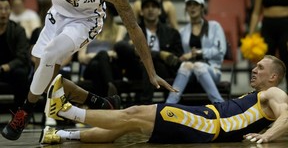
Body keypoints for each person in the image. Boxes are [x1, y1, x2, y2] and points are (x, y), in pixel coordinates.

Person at [0, 0, 176, 141]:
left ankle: (24, 113)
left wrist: (151, 72)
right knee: (46, 78)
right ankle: (102, 103)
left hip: (84, 22)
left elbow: (134, 29)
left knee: (50, 53)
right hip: (56, 15)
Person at [40, 55, 288, 144]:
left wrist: (267, 136)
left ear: (274, 76)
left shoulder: (273, 93)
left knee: (133, 112)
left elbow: (286, 115)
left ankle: (66, 110)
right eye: (254, 66)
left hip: (208, 124)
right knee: (127, 125)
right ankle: (61, 135)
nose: (254, 70)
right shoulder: (259, 96)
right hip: (204, 119)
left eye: (260, 68)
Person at [115, 0, 183, 104]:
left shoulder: (172, 33)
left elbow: (177, 59)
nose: (150, 9)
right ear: (141, 12)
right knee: (144, 61)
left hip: (162, 70)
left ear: (160, 11)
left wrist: (148, 55)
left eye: (154, 6)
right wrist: (159, 54)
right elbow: (120, 47)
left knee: (152, 63)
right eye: (146, 7)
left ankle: (145, 104)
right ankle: (146, 104)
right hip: (137, 69)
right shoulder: (134, 31)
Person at [166, 0, 226, 104]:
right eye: (189, 4)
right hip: (190, 72)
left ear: (202, 7)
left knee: (198, 65)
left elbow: (220, 50)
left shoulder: (214, 26)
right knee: (186, 65)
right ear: (186, 8)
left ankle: (220, 103)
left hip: (213, 70)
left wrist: (199, 53)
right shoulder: (183, 32)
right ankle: (169, 105)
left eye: (196, 4)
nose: (192, 7)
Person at [249, 0, 288, 91]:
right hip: (268, 28)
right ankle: (263, 95)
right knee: (266, 63)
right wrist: (251, 33)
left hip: (286, 28)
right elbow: (255, 12)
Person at [78, 1, 127, 96]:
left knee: (98, 65)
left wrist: (92, 55)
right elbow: (81, 58)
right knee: (101, 56)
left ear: (111, 12)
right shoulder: (86, 31)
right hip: (89, 69)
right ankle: (111, 88)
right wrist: (103, 54)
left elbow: (116, 53)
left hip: (112, 67)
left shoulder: (120, 29)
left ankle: (102, 103)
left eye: (104, 10)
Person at [0, 0, 31, 111]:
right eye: (0, 9)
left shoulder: (18, 30)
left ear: (10, 11)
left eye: (6, 9)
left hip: (11, 70)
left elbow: (22, 57)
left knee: (20, 73)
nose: (3, 12)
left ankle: (18, 114)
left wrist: (6, 67)